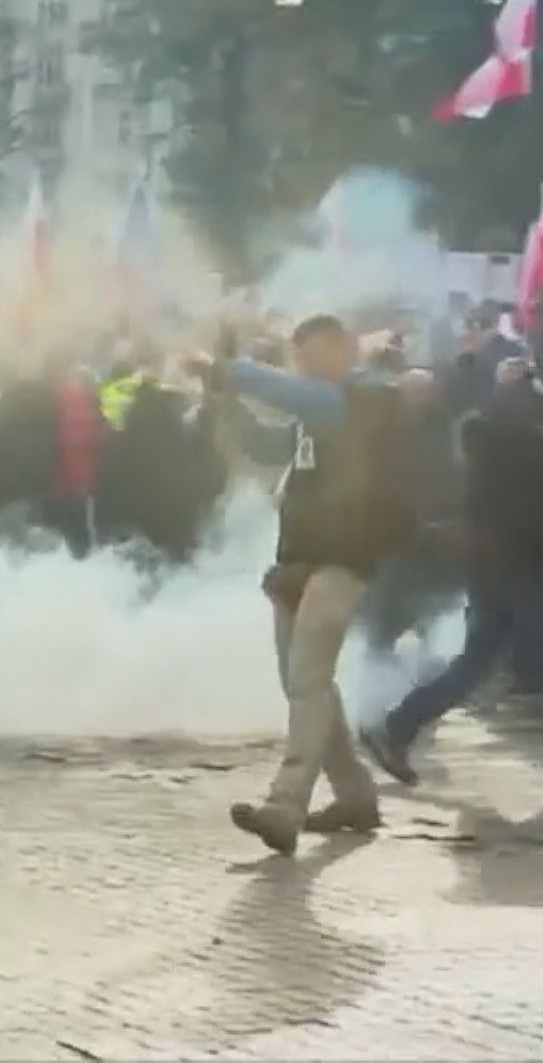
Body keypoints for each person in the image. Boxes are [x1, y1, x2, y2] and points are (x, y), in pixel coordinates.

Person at [187, 314, 414, 856]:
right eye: (299, 358)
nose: (304, 368)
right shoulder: (318, 408)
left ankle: (285, 807)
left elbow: (296, 397)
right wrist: (226, 401)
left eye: (311, 355)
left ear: (341, 349)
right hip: (298, 562)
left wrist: (228, 370)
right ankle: (356, 797)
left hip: (343, 560)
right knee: (306, 682)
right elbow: (268, 445)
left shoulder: (364, 399)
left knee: (307, 676)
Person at [361, 359, 543, 786]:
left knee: (476, 662)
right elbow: (480, 434)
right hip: (514, 557)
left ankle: (396, 726)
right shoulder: (517, 418)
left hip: (508, 556)